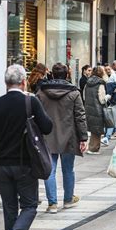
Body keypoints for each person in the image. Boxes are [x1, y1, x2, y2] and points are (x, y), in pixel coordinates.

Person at [0, 64, 53, 230]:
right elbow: (47, 127)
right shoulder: (30, 101)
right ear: (24, 82)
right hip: (25, 163)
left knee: (9, 207)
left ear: (6, 83)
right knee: (30, 205)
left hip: (1, 165)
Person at [37, 63, 88, 213]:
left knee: (50, 170)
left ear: (52, 75)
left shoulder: (41, 92)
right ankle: (68, 199)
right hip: (69, 135)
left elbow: (36, 115)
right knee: (68, 169)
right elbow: (80, 116)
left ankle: (52, 203)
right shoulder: (74, 93)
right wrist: (83, 137)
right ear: (66, 75)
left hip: (48, 136)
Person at [84, 66, 109, 154]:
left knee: (93, 129)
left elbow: (84, 96)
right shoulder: (100, 83)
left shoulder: (88, 83)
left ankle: (92, 147)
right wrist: (108, 97)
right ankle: (93, 148)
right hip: (97, 109)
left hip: (89, 108)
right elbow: (102, 99)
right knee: (97, 129)